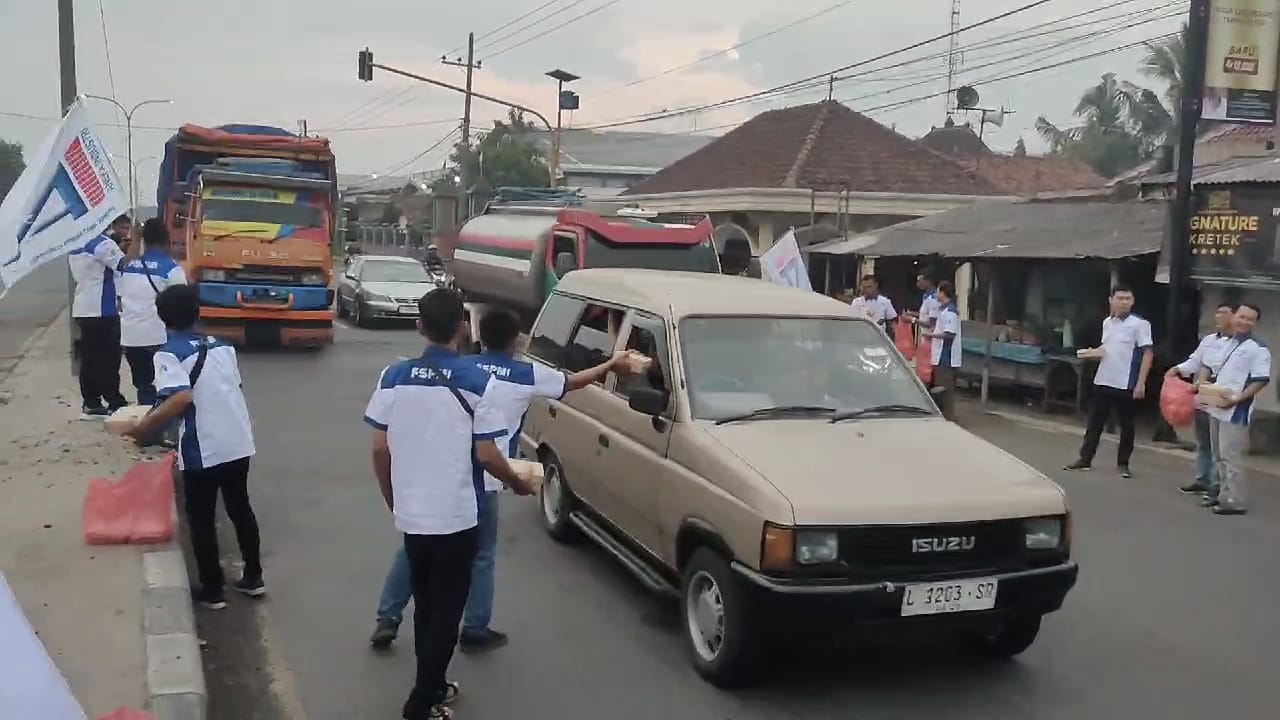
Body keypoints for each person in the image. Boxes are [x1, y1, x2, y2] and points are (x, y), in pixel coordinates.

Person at [369, 309, 628, 652]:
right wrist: (611, 365)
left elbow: (383, 444)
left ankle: (388, 617)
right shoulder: (524, 374)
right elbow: (572, 382)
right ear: (515, 339)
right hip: (486, 478)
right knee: (482, 555)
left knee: (414, 549)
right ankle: (475, 627)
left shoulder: (466, 368)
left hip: (447, 475)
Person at [364, 289, 538, 720]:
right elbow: (488, 456)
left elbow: (380, 450)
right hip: (459, 516)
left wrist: (392, 498)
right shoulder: (480, 383)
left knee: (425, 604)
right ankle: (422, 701)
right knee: (447, 610)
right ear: (463, 327)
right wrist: (517, 483)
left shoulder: (393, 376)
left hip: (413, 515)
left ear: (420, 327)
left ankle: (433, 684)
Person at [124, 285, 263, 609]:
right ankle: (254, 576)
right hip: (238, 439)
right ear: (198, 312)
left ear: (162, 318)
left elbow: (180, 397)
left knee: (200, 516)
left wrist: (142, 429)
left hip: (205, 446)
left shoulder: (169, 353)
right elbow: (231, 386)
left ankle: (213, 590)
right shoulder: (222, 347)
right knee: (239, 508)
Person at [1065, 286, 1153, 478]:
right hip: (1104, 379)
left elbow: (1147, 353)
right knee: (1094, 422)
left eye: (1127, 298)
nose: (1123, 302)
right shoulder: (1107, 323)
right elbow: (1107, 349)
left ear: (1132, 301)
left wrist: (1141, 382)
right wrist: (1093, 353)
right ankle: (1085, 459)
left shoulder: (1140, 324)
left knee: (1126, 425)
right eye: (1120, 298)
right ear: (1111, 300)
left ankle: (1123, 463)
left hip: (1126, 382)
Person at [1198, 303, 1270, 516]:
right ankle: (1222, 495)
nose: (1244, 321)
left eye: (1250, 319)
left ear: (1255, 323)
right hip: (1216, 406)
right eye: (1242, 316)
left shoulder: (1258, 348)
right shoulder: (1228, 343)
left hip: (1235, 410)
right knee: (1218, 455)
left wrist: (1238, 399)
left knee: (1231, 457)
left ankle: (1236, 500)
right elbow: (1212, 367)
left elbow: (1260, 380)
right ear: (1234, 317)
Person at [70, 214, 137, 418]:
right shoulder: (101, 244)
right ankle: (112, 400)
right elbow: (125, 265)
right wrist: (138, 241)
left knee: (91, 358)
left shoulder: (77, 241)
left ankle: (92, 402)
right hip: (102, 309)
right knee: (108, 358)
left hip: (85, 307)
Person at [1165, 302, 1234, 497]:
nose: (1220, 317)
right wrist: (1178, 369)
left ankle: (1217, 483)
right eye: (1218, 312)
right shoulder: (1209, 340)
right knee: (1203, 439)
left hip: (1221, 393)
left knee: (1219, 443)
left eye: (1225, 313)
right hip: (1203, 393)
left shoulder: (1237, 343)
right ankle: (1202, 478)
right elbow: (1196, 361)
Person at [118, 219, 187, 407]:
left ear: (145, 242)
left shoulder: (128, 267)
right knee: (166, 388)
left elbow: (121, 299)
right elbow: (182, 307)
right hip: (159, 338)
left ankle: (147, 429)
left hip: (131, 339)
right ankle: (162, 428)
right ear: (167, 241)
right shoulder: (171, 269)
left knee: (144, 387)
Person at [924, 281, 962, 419]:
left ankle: (948, 417)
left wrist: (930, 335)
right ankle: (944, 415)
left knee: (945, 389)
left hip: (946, 357)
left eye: (938, 291)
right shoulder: (943, 310)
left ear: (943, 292)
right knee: (941, 388)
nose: (936, 294)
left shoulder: (950, 312)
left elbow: (949, 334)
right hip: (939, 355)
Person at [849, 274, 897, 339]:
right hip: (861, 338)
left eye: (869, 287)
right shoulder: (857, 302)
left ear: (876, 285)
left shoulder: (885, 302)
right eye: (864, 287)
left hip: (880, 338)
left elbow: (892, 322)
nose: (866, 290)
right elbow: (854, 322)